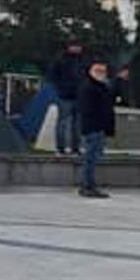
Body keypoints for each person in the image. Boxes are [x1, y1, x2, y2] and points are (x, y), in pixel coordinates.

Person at [76, 58, 116, 198]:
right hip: (92, 127)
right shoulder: (89, 87)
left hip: (99, 127)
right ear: (90, 71)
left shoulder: (102, 87)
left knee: (93, 158)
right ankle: (87, 186)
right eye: (98, 71)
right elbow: (88, 110)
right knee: (90, 158)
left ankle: (89, 185)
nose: (101, 73)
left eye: (103, 71)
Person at [48, 41, 86, 155]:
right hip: (64, 96)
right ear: (69, 47)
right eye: (75, 46)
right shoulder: (61, 60)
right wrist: (60, 88)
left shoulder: (83, 61)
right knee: (63, 122)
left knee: (77, 124)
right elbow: (53, 75)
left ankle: (76, 148)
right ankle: (60, 148)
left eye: (79, 46)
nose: (77, 48)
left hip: (79, 96)